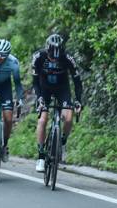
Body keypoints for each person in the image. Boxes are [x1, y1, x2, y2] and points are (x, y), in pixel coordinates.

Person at [31, 33, 83, 172]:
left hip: (62, 89)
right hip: (44, 89)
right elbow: (35, 82)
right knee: (43, 120)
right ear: (47, 50)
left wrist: (78, 100)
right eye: (51, 57)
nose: (54, 59)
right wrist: (39, 98)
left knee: (68, 118)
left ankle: (62, 143)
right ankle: (41, 156)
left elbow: (77, 81)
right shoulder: (38, 57)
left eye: (57, 57)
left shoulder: (68, 58)